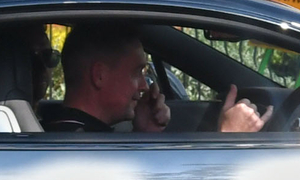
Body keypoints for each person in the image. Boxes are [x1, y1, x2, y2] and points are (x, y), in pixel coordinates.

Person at [38, 25, 268, 134]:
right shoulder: (82, 145)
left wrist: (144, 134)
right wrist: (229, 139)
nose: (143, 86)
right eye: (138, 72)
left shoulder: (70, 132)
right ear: (99, 75)